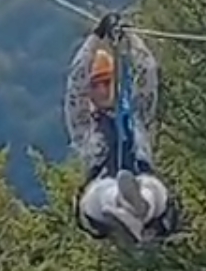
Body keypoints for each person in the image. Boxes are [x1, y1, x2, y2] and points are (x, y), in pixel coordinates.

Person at [64, 23, 179, 247]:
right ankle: (120, 204)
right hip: (99, 192)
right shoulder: (84, 125)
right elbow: (75, 84)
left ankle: (137, 205)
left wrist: (132, 39)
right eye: (95, 85)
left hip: (141, 179)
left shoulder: (138, 117)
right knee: (102, 194)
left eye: (106, 82)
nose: (101, 90)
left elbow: (147, 73)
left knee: (153, 189)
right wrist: (94, 39)